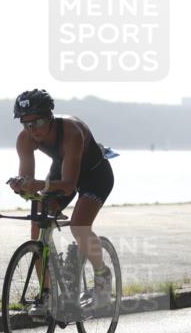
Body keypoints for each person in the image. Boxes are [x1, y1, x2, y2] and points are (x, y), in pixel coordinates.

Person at [7, 89, 114, 310]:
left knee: (79, 226)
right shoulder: (25, 139)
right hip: (63, 168)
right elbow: (30, 185)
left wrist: (36, 184)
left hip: (95, 175)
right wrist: (22, 187)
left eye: (36, 122)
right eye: (25, 124)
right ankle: (47, 294)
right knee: (38, 227)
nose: (31, 129)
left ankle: (103, 276)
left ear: (49, 117)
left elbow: (68, 185)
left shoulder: (71, 132)